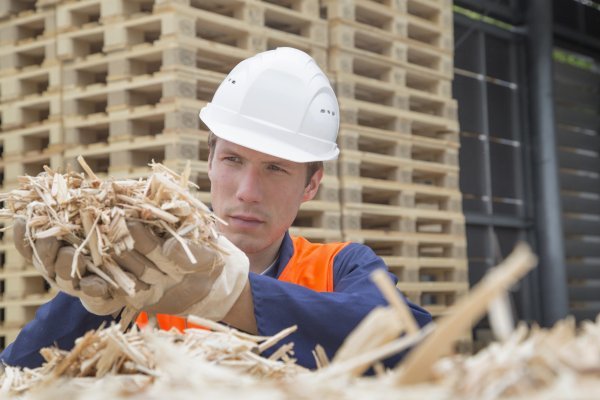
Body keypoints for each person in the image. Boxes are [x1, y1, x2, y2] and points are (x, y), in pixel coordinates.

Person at [0, 47, 431, 370]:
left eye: (276, 169)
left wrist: (227, 294)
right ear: (208, 162)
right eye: (233, 160)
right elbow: (17, 372)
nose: (247, 191)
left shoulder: (338, 267)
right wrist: (85, 299)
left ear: (311, 184)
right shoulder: (142, 265)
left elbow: (414, 341)